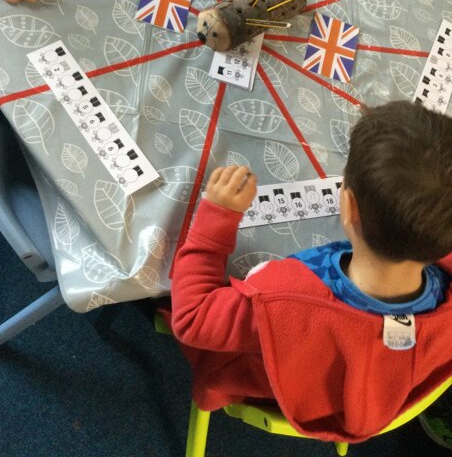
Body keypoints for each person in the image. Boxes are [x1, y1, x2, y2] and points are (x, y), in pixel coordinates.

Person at [169, 101, 452, 444]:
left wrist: (216, 219)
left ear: (348, 206)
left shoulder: (282, 304)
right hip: (351, 398)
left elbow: (192, 318)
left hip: (268, 384)